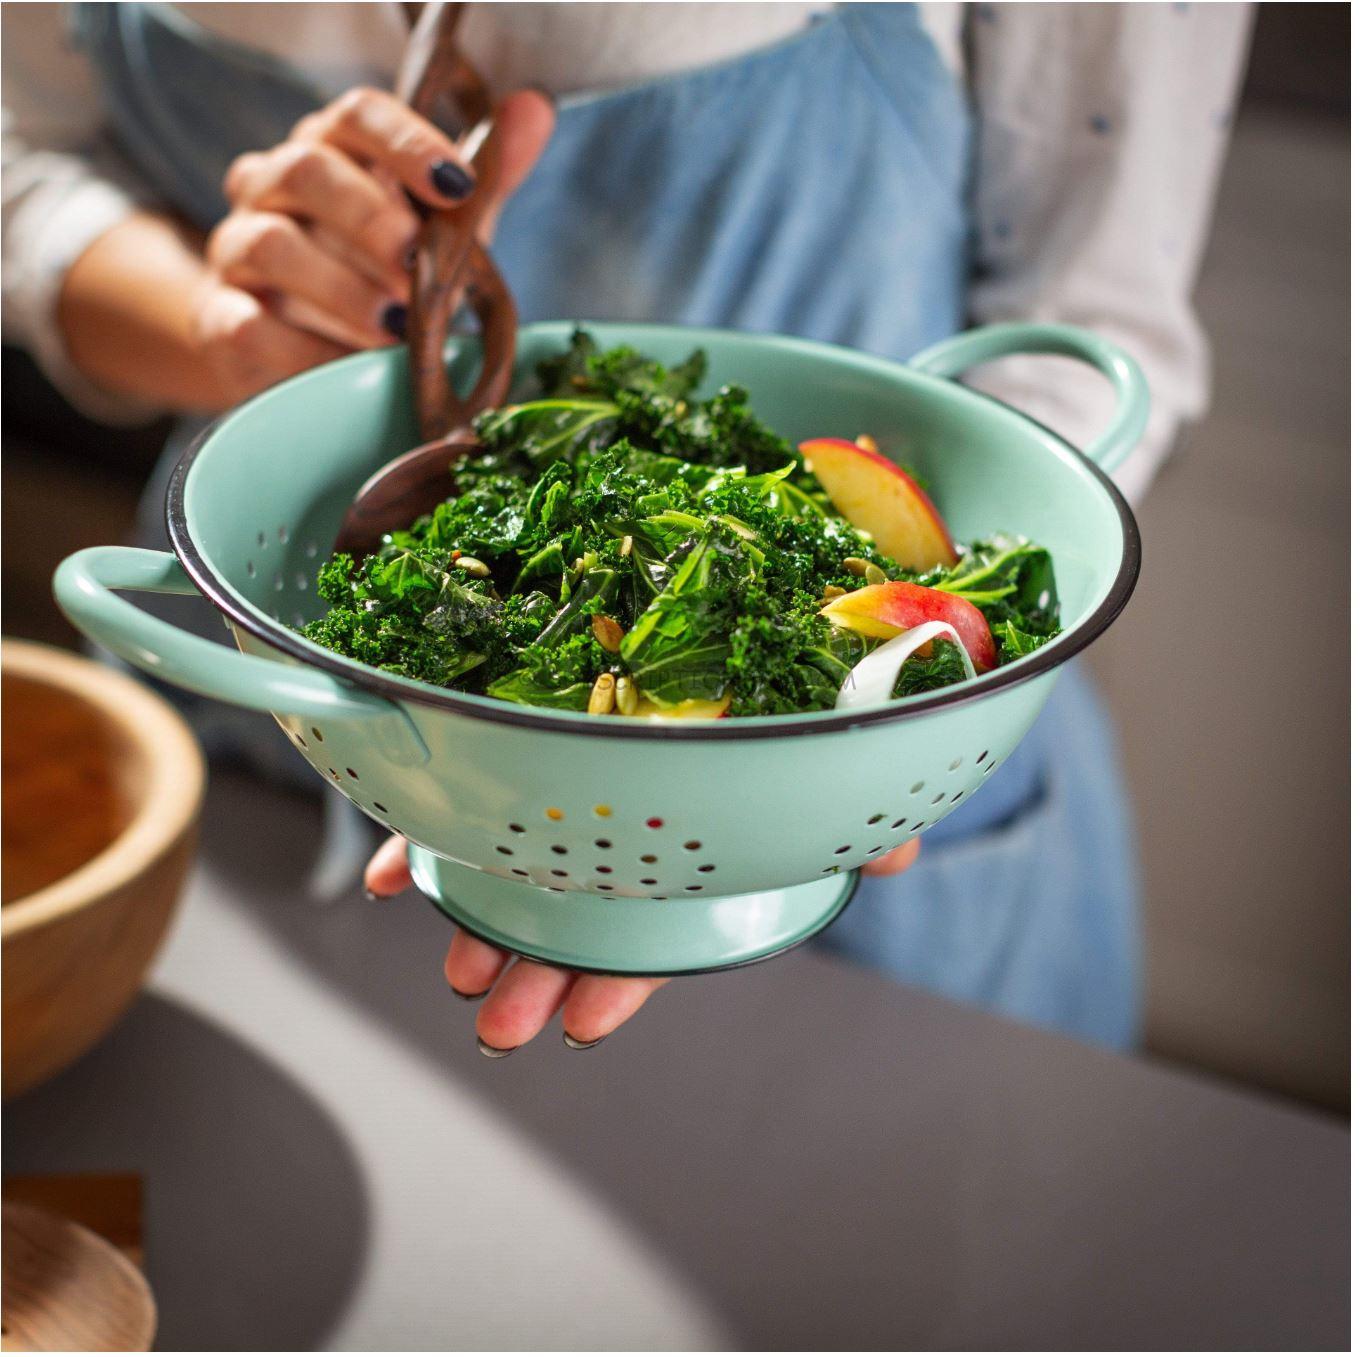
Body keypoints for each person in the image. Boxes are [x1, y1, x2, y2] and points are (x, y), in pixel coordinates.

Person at [2, 2, 1251, 1056]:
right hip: (290, 718)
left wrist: (869, 735)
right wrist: (222, 329)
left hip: (873, 829)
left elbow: (1093, 324)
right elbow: (24, 164)